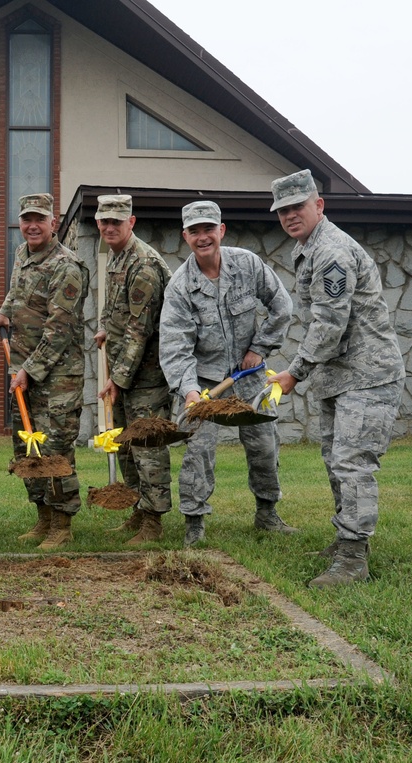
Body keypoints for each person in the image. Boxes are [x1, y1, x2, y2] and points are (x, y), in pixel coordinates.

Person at [267, 170, 405, 587]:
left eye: (298, 207)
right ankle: (346, 538)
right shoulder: (306, 248)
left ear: (318, 205)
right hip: (339, 376)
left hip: (368, 375)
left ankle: (353, 558)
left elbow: (329, 325)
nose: (291, 216)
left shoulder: (332, 252)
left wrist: (295, 371)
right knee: (334, 459)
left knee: (352, 463)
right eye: (283, 210)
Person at [160, 200, 296, 546]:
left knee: (265, 445)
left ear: (221, 230)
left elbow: (281, 307)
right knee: (197, 450)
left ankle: (267, 512)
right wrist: (189, 391)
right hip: (205, 382)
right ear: (185, 236)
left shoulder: (248, 265)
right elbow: (176, 347)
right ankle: (194, 522)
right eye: (195, 231)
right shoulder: (179, 287)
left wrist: (260, 348)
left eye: (209, 229)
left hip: (249, 377)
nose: (203, 237)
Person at [0, 193, 88, 550]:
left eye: (39, 219)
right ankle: (43, 516)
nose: (32, 226)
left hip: (58, 376)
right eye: (26, 219)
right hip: (22, 370)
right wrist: (4, 311)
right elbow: (17, 293)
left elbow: (59, 329)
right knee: (26, 448)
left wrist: (29, 370)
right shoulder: (22, 254)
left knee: (56, 451)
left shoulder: (67, 266)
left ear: (53, 223)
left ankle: (62, 523)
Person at [92, 195, 173, 544]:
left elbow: (141, 329)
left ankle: (153, 521)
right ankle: (139, 510)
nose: (110, 227)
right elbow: (117, 310)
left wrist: (116, 380)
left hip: (148, 375)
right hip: (126, 371)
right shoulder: (116, 258)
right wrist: (105, 328)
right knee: (126, 445)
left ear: (132, 222)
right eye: (104, 221)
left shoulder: (143, 265)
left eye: (117, 222)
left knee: (147, 446)